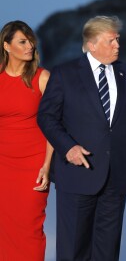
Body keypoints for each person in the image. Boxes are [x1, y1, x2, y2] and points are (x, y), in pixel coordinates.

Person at [37, 15, 126, 261]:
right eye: (112, 40)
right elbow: (46, 117)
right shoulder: (64, 73)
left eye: (118, 39)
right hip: (77, 174)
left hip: (116, 177)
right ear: (92, 44)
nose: (118, 45)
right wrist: (68, 148)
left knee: (107, 252)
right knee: (73, 249)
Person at [0, 20, 53, 260]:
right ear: (7, 46)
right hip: (2, 165)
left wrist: (47, 166)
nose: (30, 45)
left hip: (34, 165)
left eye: (30, 40)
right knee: (4, 230)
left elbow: (55, 125)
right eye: (22, 41)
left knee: (30, 227)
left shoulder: (43, 78)